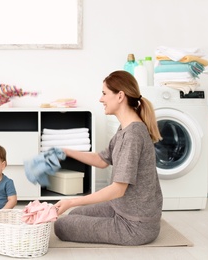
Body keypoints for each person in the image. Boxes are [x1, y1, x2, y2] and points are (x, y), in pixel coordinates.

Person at [54, 70, 163, 246]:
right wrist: (65, 151)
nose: (100, 99)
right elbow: (101, 160)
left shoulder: (133, 135)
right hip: (120, 208)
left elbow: (117, 190)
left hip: (135, 225)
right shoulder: (124, 129)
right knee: (73, 214)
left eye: (104, 93)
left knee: (61, 225)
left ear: (120, 96)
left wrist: (71, 201)